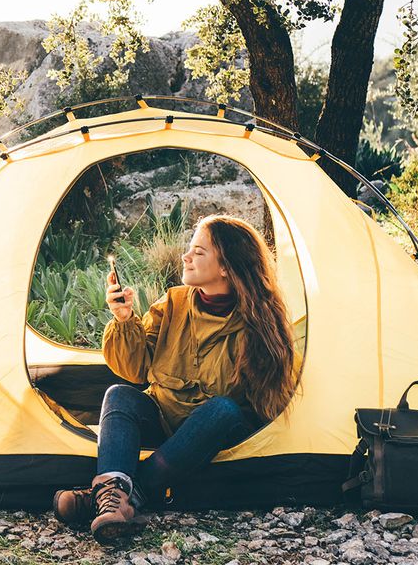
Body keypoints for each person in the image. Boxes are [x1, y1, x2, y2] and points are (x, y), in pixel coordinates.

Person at [52, 214, 301, 542]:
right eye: (189, 248)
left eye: (199, 252)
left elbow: (268, 404)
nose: (186, 256)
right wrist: (124, 319)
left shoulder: (258, 322)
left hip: (217, 435)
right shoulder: (172, 303)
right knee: (119, 395)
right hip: (166, 422)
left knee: (223, 410)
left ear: (227, 266)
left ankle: (113, 497)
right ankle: (115, 497)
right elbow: (135, 370)